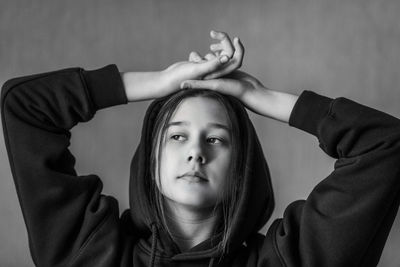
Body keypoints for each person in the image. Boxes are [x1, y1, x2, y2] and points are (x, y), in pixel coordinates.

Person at [1, 31, 399, 267]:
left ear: (241, 166)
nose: (196, 152)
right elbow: (25, 106)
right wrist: (160, 83)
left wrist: (254, 95)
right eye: (176, 135)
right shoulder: (91, 253)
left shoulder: (287, 260)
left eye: (216, 139)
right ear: (151, 160)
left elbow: (386, 144)